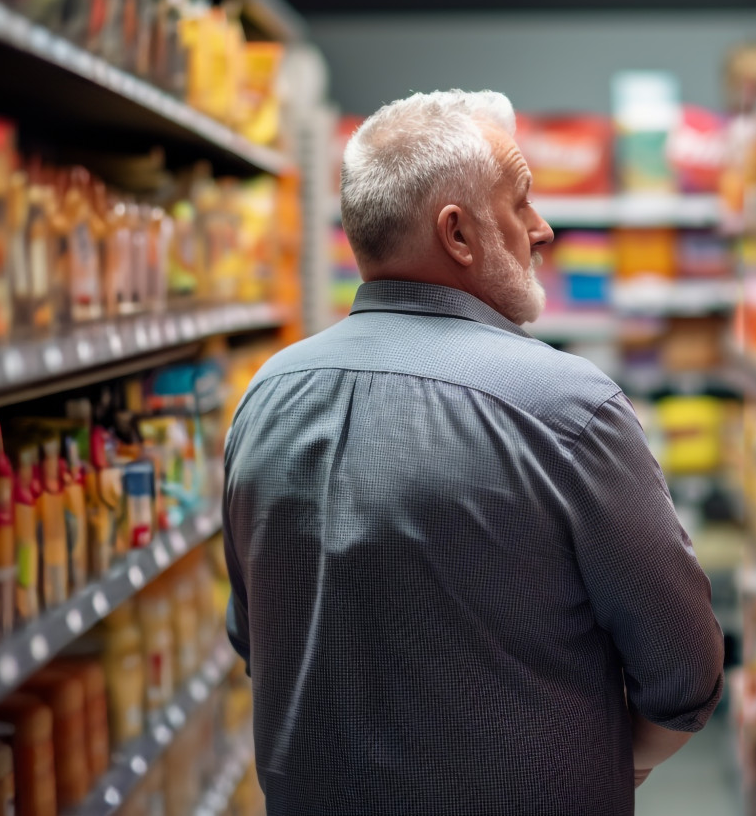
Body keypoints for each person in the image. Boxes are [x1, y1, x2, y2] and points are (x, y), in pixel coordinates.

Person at [222, 89, 723, 816]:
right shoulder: (569, 410)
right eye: (521, 203)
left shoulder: (264, 397)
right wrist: (614, 763)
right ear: (457, 234)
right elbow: (685, 673)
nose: (542, 228)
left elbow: (257, 640)